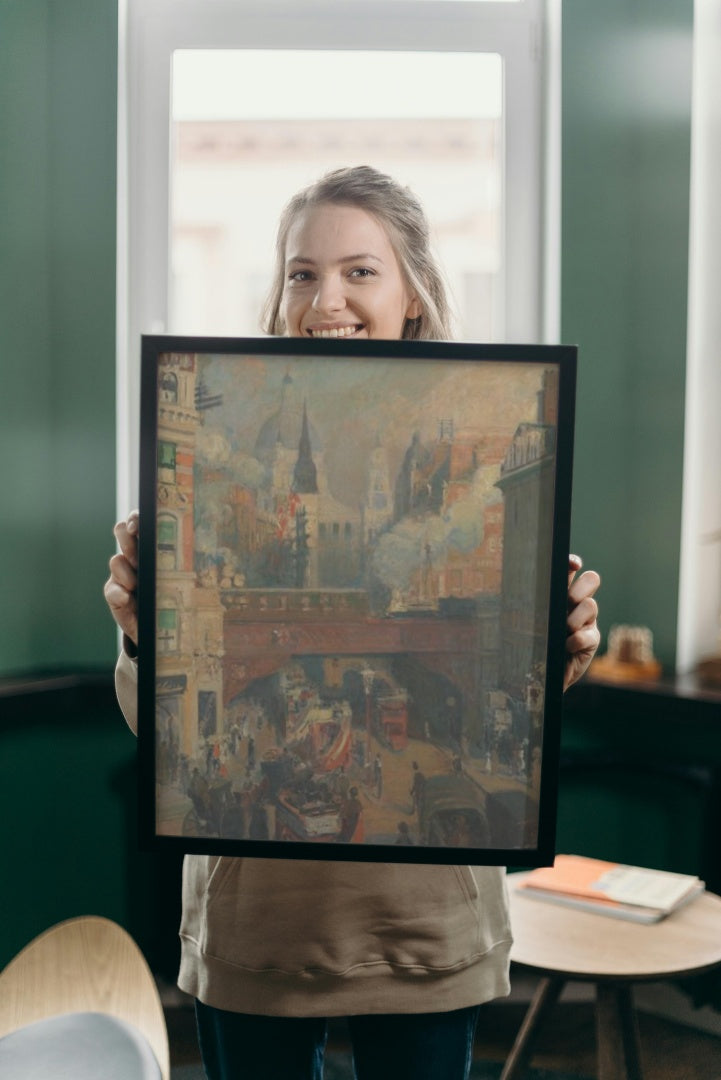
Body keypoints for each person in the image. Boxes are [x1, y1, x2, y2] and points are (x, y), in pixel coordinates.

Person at [105, 165, 601, 1080]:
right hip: (257, 929)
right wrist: (144, 634)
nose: (324, 297)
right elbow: (164, 731)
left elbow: (511, 710)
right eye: (301, 272)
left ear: (413, 292)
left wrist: (558, 647)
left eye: (359, 271)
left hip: (423, 929)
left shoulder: (487, 430)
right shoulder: (217, 458)